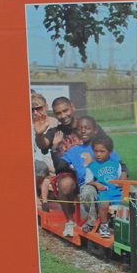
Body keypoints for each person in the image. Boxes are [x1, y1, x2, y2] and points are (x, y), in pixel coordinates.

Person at [59, 116, 123, 233]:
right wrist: (71, 167)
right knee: (89, 192)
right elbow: (60, 165)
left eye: (87, 128)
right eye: (79, 128)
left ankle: (123, 221)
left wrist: (122, 178)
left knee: (132, 192)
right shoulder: (74, 150)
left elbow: (122, 166)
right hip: (89, 184)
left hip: (109, 183)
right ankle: (92, 220)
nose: (83, 131)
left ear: (95, 130)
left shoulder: (104, 147)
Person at [35, 96, 82, 236]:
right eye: (58, 113)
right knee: (65, 184)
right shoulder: (56, 131)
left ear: (72, 107)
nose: (63, 116)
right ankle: (70, 221)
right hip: (67, 174)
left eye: (65, 111)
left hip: (88, 171)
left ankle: (103, 221)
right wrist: (39, 135)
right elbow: (44, 144)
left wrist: (122, 168)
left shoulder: (86, 126)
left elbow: (104, 145)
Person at [84, 133, 122, 238]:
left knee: (128, 203)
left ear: (110, 152)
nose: (98, 154)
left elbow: (119, 178)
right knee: (104, 204)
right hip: (104, 191)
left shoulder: (116, 164)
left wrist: (120, 182)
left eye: (102, 151)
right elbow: (88, 181)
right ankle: (104, 225)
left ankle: (122, 225)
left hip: (116, 191)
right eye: (96, 151)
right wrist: (96, 184)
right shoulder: (92, 166)